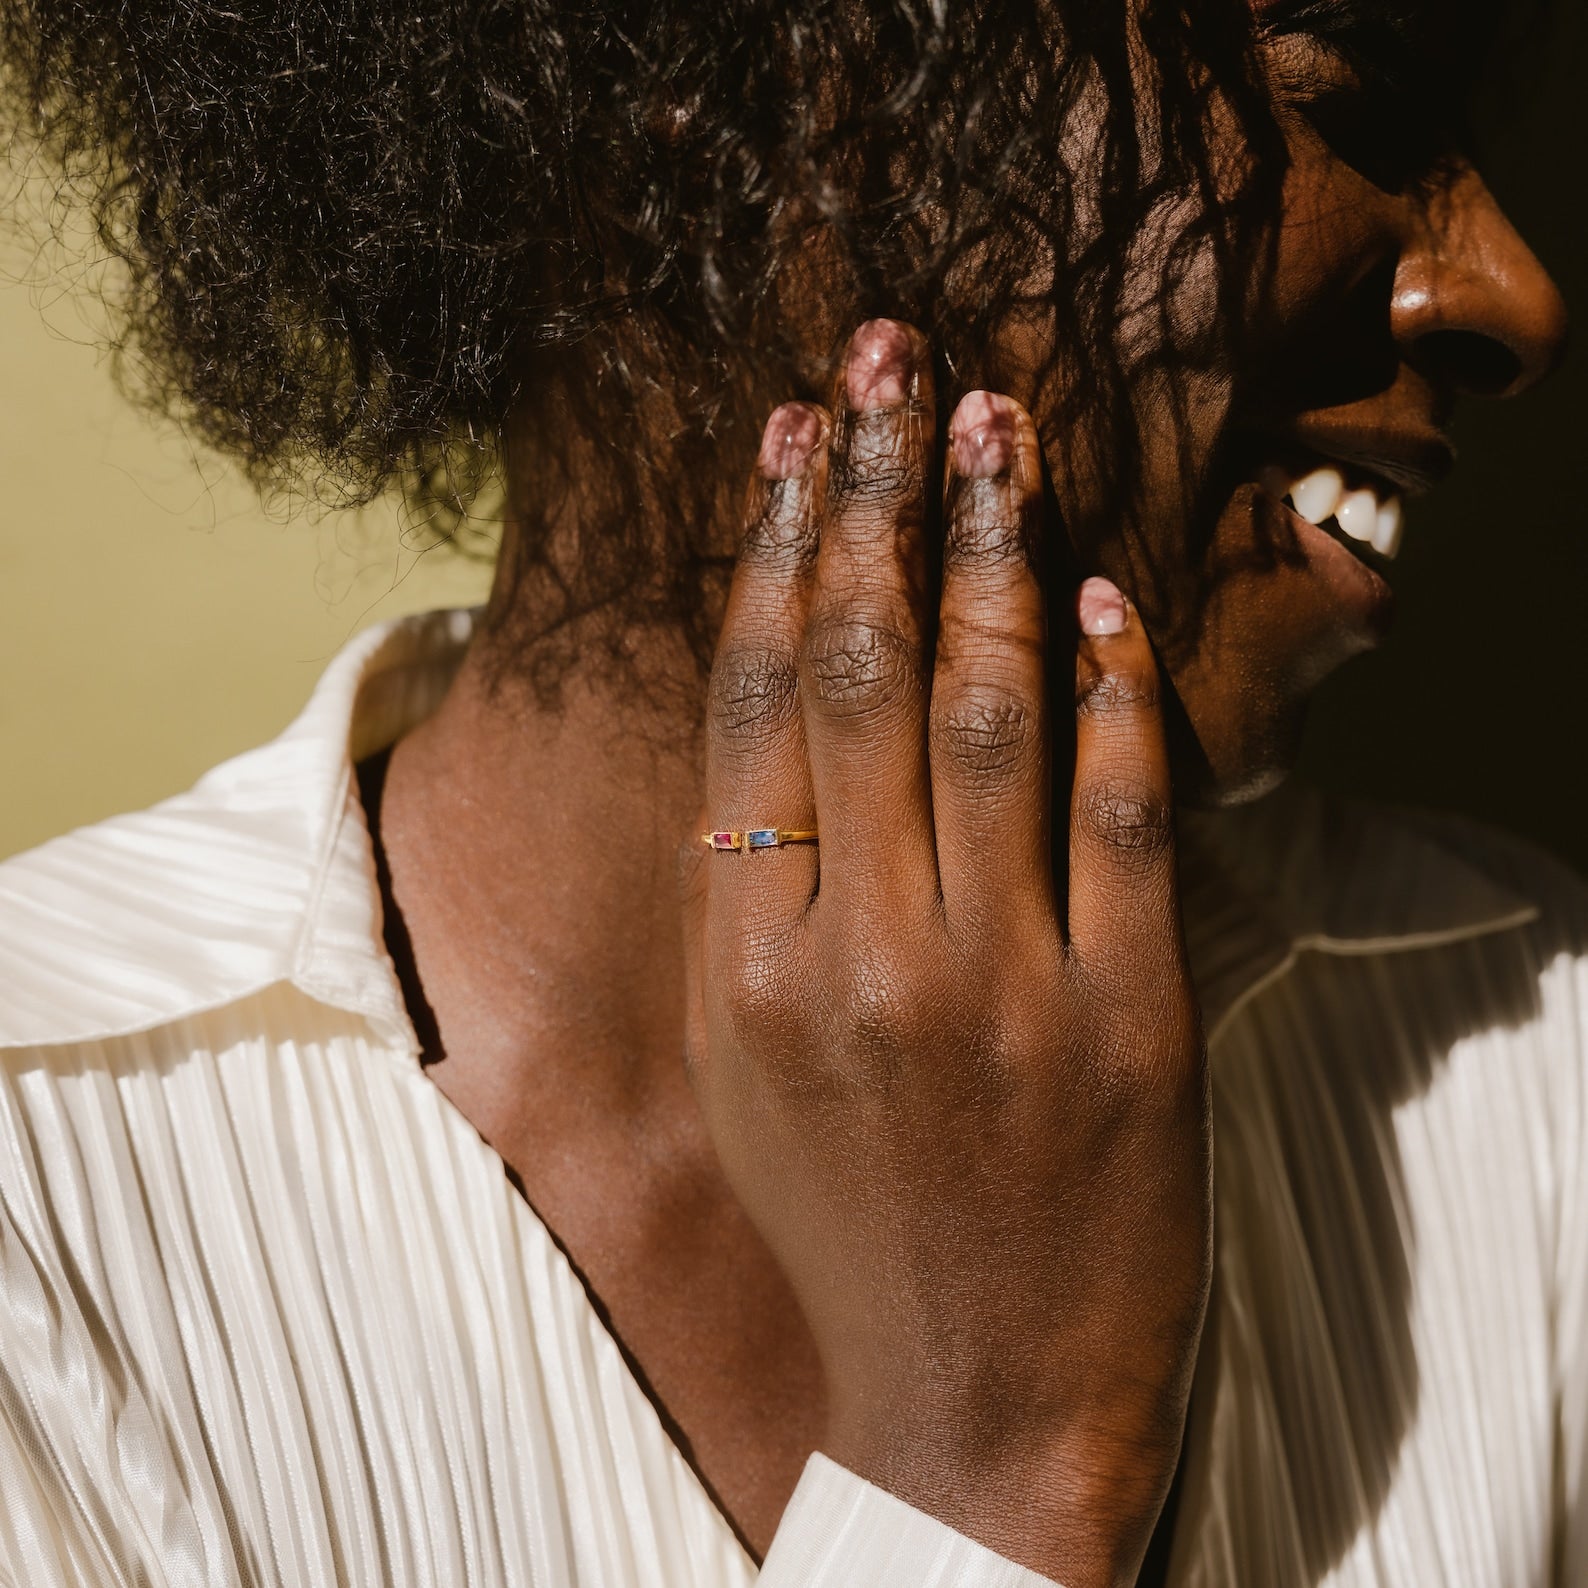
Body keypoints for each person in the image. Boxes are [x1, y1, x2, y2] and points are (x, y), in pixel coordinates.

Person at [0, 0, 1577, 1584]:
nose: (1520, 296)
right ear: (743, 102)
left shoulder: (1532, 1059)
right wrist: (995, 1474)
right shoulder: (49, 1239)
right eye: (1353, 99)